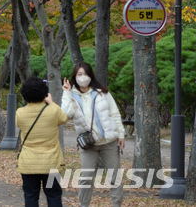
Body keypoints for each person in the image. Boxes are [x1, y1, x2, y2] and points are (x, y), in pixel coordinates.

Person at [62, 62, 125, 207]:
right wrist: (66, 92)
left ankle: (117, 204)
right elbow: (66, 114)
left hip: (108, 142)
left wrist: (120, 134)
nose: (83, 77)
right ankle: (84, 205)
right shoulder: (71, 96)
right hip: (88, 144)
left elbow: (114, 114)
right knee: (86, 178)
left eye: (86, 74)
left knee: (115, 177)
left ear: (91, 76)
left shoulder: (102, 92)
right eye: (79, 74)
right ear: (74, 76)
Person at [16, 77, 68, 207]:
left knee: (31, 196)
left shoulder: (20, 113)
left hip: (29, 163)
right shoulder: (53, 110)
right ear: (44, 93)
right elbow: (64, 118)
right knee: (54, 195)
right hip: (51, 162)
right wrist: (51, 102)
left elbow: (20, 124)